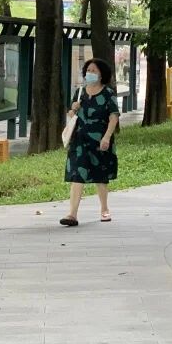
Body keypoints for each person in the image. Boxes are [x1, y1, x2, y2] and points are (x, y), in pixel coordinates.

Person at [60, 58, 119, 226]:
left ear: (101, 75)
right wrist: (73, 110)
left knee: (100, 176)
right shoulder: (80, 92)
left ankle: (104, 209)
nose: (90, 73)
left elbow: (114, 116)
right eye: (88, 70)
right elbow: (73, 116)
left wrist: (107, 137)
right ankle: (72, 214)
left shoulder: (108, 93)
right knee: (77, 174)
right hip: (79, 140)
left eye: (94, 70)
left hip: (100, 140)